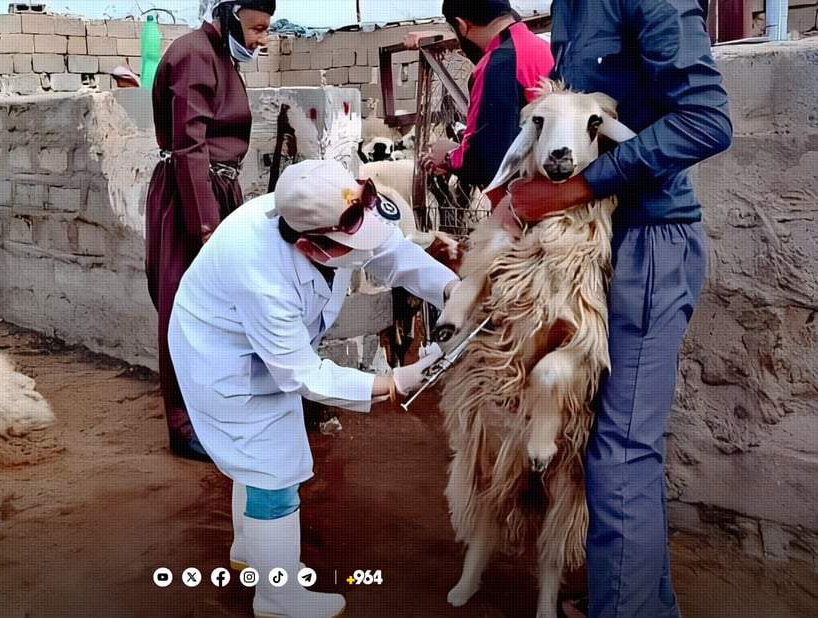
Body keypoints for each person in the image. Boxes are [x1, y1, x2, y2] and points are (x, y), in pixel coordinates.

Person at [499, 1, 733, 616]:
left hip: (649, 245)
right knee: (616, 446)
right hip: (597, 245)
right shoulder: (567, 7)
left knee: (620, 451)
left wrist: (578, 187)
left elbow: (706, 121)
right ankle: (639, 605)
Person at [169, 159, 458, 617]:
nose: (364, 249)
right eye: (350, 246)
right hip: (220, 355)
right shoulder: (260, 269)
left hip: (248, 339)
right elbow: (302, 374)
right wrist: (390, 382)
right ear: (311, 246)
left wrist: (450, 290)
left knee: (257, 459)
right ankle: (277, 596)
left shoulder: (328, 211)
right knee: (275, 469)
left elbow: (390, 253)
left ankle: (251, 551)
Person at [145, 0, 275, 462]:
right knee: (184, 308)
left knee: (218, 311)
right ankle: (183, 426)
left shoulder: (219, 56)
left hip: (214, 191)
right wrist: (206, 227)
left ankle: (211, 411)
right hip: (189, 195)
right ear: (230, 12)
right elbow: (189, 146)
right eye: (257, 27)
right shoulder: (195, 55)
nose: (261, 39)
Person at [405, 0, 554, 194]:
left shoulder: (496, 66)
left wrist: (449, 156)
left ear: (462, 25)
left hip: (527, 198)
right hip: (553, 183)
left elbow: (489, 159)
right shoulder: (539, 47)